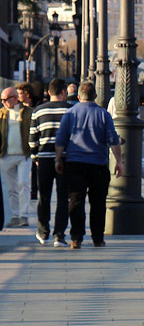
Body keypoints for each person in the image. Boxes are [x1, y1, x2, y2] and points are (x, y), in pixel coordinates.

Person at [54, 82, 123, 249]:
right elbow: (113, 140)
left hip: (75, 163)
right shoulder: (103, 114)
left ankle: (76, 237)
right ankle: (98, 238)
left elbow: (61, 140)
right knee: (98, 203)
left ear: (78, 97)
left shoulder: (70, 114)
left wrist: (58, 159)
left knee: (76, 200)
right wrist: (119, 161)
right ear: (95, 97)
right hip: (98, 164)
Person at [29, 78, 73, 246]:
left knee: (44, 196)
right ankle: (59, 235)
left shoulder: (38, 111)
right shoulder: (72, 110)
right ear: (64, 92)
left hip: (44, 159)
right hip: (65, 159)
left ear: (49, 92)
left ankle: (42, 231)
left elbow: (32, 139)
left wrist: (35, 157)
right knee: (63, 197)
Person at [0, 85, 34, 228]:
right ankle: (15, 215)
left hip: (23, 155)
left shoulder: (28, 113)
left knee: (23, 184)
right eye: (1, 99)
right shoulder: (1, 113)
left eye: (5, 99)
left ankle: (24, 215)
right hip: (6, 155)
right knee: (11, 187)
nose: (3, 102)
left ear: (15, 98)